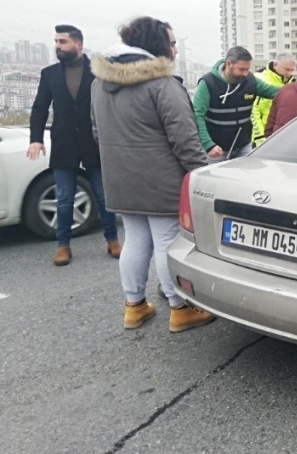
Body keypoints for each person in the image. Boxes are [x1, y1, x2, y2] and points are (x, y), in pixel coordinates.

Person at [90, 17, 215, 333]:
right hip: (160, 181)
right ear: (156, 45)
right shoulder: (162, 85)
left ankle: (134, 306)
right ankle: (180, 308)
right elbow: (185, 141)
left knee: (134, 239)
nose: (174, 49)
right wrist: (202, 179)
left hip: (119, 180)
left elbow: (96, 131)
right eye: (172, 43)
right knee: (167, 242)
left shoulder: (98, 83)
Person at [28, 24, 121, 266]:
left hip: (95, 142)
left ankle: (112, 239)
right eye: (56, 41)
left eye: (62, 42)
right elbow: (39, 108)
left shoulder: (98, 72)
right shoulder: (49, 74)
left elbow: (112, 105)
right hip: (64, 143)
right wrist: (36, 139)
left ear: (78, 44)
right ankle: (63, 246)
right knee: (64, 198)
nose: (57, 46)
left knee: (103, 196)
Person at [193, 46, 279, 161]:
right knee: (216, 179)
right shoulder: (208, 83)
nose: (245, 73)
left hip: (244, 146)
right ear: (229, 64)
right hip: (216, 149)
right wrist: (208, 144)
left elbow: (274, 92)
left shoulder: (250, 81)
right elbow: (197, 114)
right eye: (242, 69)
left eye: (247, 69)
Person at [251, 52, 296, 147]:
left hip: (284, 137)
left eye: (292, 70)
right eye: (287, 69)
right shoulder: (258, 79)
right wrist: (259, 137)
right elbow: (253, 111)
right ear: (275, 64)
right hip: (262, 138)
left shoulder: (293, 83)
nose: (289, 74)